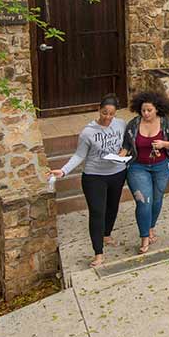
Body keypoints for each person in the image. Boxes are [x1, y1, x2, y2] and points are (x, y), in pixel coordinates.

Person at [47, 94, 127, 268]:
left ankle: (107, 235)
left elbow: (128, 141)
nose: (107, 117)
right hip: (94, 177)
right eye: (105, 113)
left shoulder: (121, 124)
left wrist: (124, 151)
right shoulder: (88, 132)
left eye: (111, 114)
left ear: (116, 114)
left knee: (112, 207)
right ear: (99, 109)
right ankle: (98, 253)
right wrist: (63, 171)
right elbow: (79, 155)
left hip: (118, 173)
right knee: (97, 212)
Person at [120, 91, 169, 254]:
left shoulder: (167, 124)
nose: (146, 113)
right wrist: (120, 156)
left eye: (149, 110)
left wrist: (164, 144)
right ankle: (144, 237)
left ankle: (151, 226)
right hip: (138, 167)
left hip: (162, 166)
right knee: (143, 201)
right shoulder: (133, 124)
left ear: (157, 109)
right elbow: (126, 145)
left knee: (156, 199)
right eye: (143, 110)